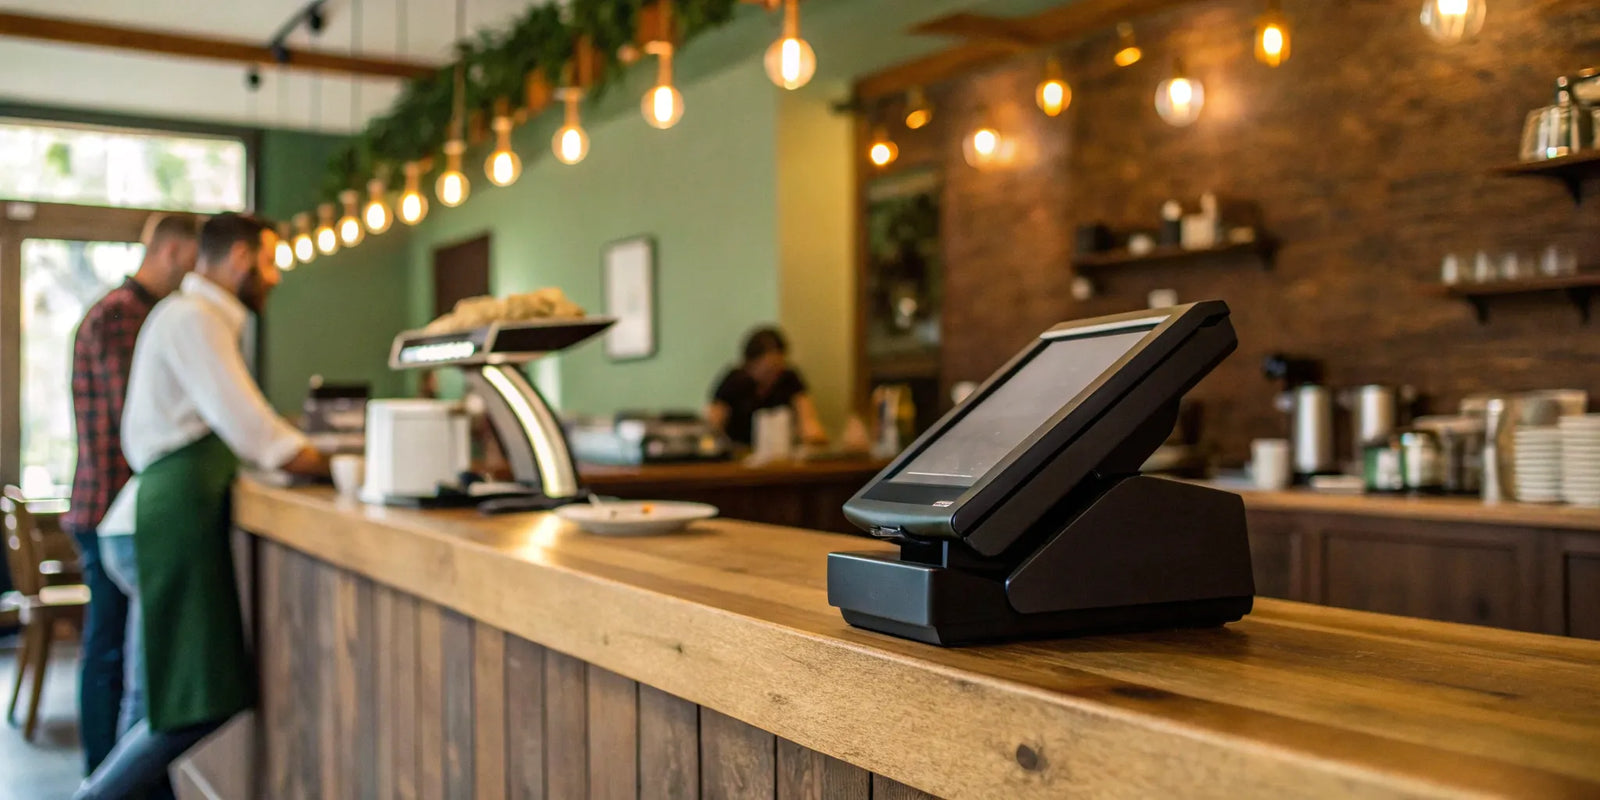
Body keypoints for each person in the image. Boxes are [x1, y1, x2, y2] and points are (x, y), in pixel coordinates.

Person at [77, 213, 329, 800]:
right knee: (193, 704)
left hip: (147, 520)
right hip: (163, 525)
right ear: (241, 257)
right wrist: (342, 466)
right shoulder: (195, 319)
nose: (275, 277)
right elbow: (256, 434)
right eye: (270, 262)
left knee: (149, 703)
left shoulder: (192, 316)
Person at [65, 213, 200, 775]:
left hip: (110, 506)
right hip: (111, 509)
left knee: (113, 653)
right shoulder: (126, 318)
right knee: (111, 654)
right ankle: (105, 777)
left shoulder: (133, 314)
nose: (194, 275)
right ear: (170, 251)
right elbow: (140, 423)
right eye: (192, 261)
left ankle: (113, 779)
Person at [707, 326, 829, 448]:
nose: (773, 376)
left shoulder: (789, 379)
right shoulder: (734, 381)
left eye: (778, 367)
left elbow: (808, 419)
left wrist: (813, 436)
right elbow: (713, 426)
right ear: (749, 364)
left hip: (782, 454)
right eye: (768, 369)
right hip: (739, 453)